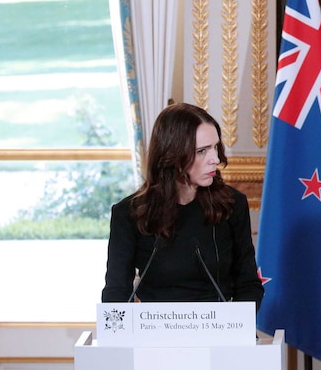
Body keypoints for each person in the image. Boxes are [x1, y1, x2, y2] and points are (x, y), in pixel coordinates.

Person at [102, 103, 264, 308]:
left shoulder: (231, 204)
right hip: (154, 331)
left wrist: (239, 326)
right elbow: (116, 292)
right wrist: (118, 334)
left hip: (219, 330)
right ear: (173, 155)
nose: (215, 159)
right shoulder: (129, 214)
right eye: (202, 151)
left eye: (215, 147)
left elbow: (248, 284)